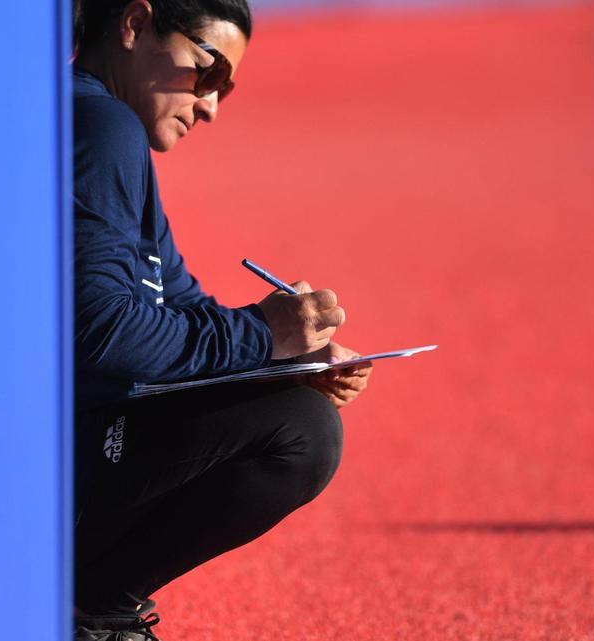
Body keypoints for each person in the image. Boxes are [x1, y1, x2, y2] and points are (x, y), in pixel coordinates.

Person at [71, 1, 374, 639]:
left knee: (294, 408)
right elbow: (106, 337)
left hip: (60, 437)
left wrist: (286, 360)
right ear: (134, 24)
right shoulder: (100, 125)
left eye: (225, 88)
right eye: (208, 73)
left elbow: (179, 304)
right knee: (301, 432)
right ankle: (91, 608)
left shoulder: (105, 124)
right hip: (40, 460)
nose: (211, 105)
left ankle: (91, 603)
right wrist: (265, 336)